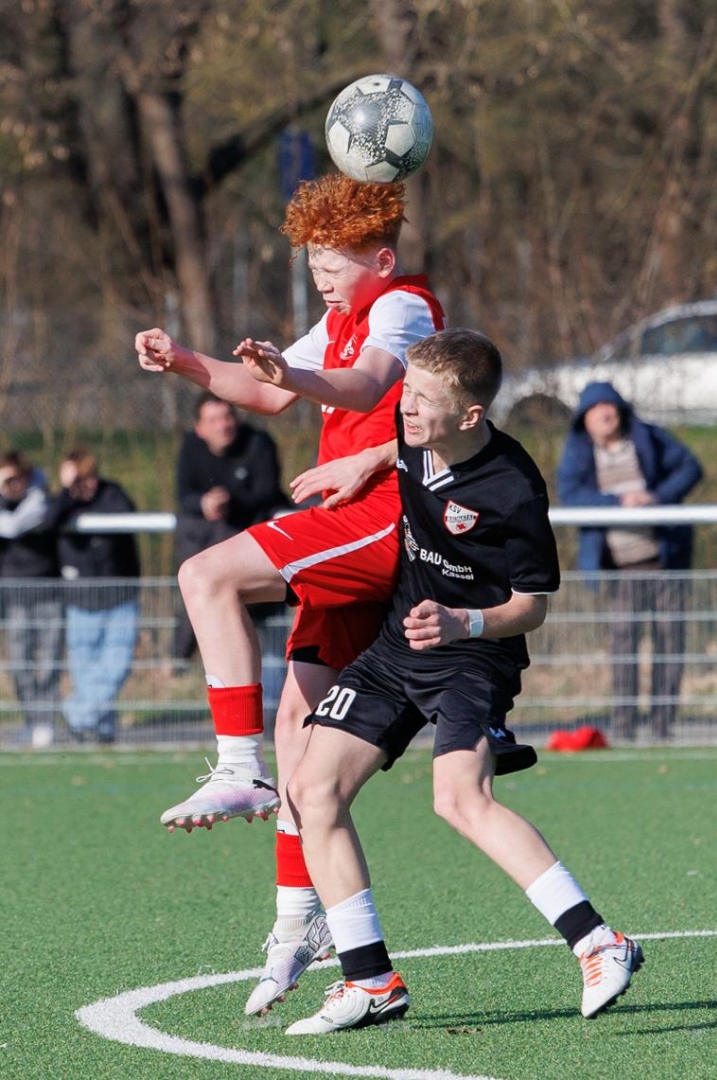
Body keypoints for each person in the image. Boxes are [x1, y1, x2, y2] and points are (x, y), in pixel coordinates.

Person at [135, 173, 446, 1013]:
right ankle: (299, 928)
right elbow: (270, 391)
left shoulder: (402, 307)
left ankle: (237, 767)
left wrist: (299, 378)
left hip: (379, 519)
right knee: (299, 743)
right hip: (345, 517)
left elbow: (366, 384)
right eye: (312, 265)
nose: (321, 279)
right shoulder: (341, 316)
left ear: (381, 260)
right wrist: (184, 361)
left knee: (205, 574)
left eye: (333, 264)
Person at [281, 329, 643, 1035]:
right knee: (311, 789)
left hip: (474, 655)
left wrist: (463, 624)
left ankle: (600, 942)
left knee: (459, 798)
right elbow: (396, 443)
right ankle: (370, 981)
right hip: (398, 647)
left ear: (470, 415)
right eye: (407, 392)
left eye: (424, 399)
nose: (406, 408)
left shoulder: (514, 488)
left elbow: (532, 607)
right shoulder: (413, 429)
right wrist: (361, 458)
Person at [556, 381, 702, 740]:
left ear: (620, 410)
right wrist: (617, 503)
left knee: (670, 642)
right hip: (619, 568)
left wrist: (655, 498)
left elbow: (689, 468)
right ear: (584, 419)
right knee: (623, 645)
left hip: (665, 562)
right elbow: (570, 494)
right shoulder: (579, 451)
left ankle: (663, 726)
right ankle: (624, 727)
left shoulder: (648, 437)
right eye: (595, 410)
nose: (604, 414)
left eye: (609, 406)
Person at [173, 390, 288, 670]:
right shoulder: (190, 447)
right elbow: (184, 495)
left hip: (259, 551)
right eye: (213, 420)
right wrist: (205, 504)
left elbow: (267, 492)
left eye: (227, 416)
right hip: (216, 555)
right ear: (200, 428)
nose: (223, 425)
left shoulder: (259, 443)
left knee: (270, 646)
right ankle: (181, 654)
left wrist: (231, 503)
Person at [46, 448, 141, 744]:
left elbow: (127, 515)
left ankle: (77, 714)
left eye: (88, 478)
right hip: (80, 600)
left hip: (119, 597)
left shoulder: (112, 494)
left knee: (116, 664)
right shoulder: (62, 502)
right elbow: (46, 523)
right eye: (78, 479)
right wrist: (66, 492)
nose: (84, 485)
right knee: (85, 672)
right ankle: (99, 730)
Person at [0, 451, 63, 747]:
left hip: (48, 591)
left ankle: (45, 722)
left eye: (16, 478)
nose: (12, 485)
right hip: (14, 595)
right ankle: (31, 719)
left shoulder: (41, 501)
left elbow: (14, 526)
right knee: (20, 662)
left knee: (49, 661)